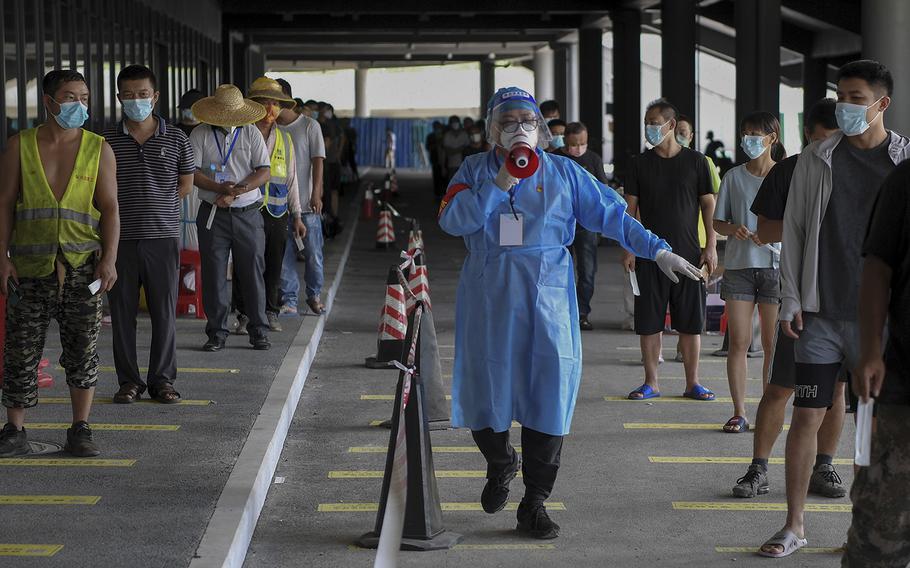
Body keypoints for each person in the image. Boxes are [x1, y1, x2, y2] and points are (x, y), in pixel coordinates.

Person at [439, 87, 701, 540]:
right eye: (508, 121)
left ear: (541, 128)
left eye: (527, 120)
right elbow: (452, 221)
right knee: (486, 389)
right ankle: (501, 463)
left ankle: (535, 501)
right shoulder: (473, 171)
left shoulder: (564, 172)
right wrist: (500, 181)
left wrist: (658, 252)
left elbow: (613, 216)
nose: (519, 128)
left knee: (549, 394)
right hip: (489, 297)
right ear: (492, 130)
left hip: (548, 299)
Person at [762, 59, 910, 558]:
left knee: (873, 426)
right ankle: (794, 525)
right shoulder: (817, 158)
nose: (844, 105)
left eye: (855, 98)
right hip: (820, 314)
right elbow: (797, 231)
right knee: (807, 415)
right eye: (840, 95)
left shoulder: (904, 163)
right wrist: (791, 300)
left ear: (881, 104)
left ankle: (862, 528)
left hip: (884, 325)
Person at [732, 98, 847, 500]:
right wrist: (810, 223)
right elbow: (763, 230)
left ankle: (825, 466)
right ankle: (758, 468)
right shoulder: (790, 169)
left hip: (849, 300)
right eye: (822, 142)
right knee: (781, 386)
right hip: (803, 298)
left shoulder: (860, 168)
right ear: (807, 138)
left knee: (837, 391)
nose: (830, 151)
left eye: (838, 140)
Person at [0, 69, 118, 457]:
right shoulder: (20, 145)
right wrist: (3, 259)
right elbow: (5, 206)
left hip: (83, 267)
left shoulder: (98, 147)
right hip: (30, 269)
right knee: (20, 350)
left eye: (84, 97)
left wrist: (110, 260)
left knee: (83, 350)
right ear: (49, 103)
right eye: (70, 97)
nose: (79, 105)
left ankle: (80, 428)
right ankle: (14, 429)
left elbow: (111, 208)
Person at [104, 64, 194, 405]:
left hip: (163, 237)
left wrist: (157, 206)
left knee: (164, 312)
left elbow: (185, 185)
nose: (136, 101)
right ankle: (129, 382)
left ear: (155, 97)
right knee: (122, 314)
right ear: (118, 98)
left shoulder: (177, 138)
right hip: (119, 240)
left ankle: (162, 381)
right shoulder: (105, 140)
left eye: (143, 94)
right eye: (128, 95)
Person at [622, 99, 717, 401]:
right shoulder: (639, 164)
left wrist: (711, 246)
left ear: (671, 125)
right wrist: (628, 248)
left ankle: (693, 383)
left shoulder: (697, 162)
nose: (649, 127)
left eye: (654, 121)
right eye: (646, 122)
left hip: (689, 253)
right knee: (649, 321)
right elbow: (629, 211)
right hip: (649, 254)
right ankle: (651, 382)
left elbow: (708, 206)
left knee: (691, 322)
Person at [842, 156, 910, 567]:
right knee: (879, 536)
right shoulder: (905, 180)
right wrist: (869, 350)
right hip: (904, 385)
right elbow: (876, 268)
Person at [712, 112, 784, 433]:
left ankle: (767, 412)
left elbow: (796, 224)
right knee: (739, 341)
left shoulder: (784, 176)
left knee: (771, 344)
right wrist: (733, 229)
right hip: (739, 267)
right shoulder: (733, 177)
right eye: (746, 134)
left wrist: (771, 233)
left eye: (756, 134)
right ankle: (739, 411)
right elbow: (716, 222)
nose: (750, 140)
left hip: (774, 267)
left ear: (772, 139)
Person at [188, 84, 272, 352]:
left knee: (252, 273)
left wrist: (237, 191)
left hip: (247, 212)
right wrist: (220, 189)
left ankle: (258, 330)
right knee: (214, 274)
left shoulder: (251, 133)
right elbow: (193, 172)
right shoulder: (200, 133)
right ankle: (216, 332)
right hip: (213, 214)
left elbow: (264, 171)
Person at [231, 77, 305, 334]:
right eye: (264, 103)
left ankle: (270, 312)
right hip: (246, 208)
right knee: (245, 262)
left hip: (276, 211)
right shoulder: (240, 134)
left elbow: (293, 179)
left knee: (273, 263)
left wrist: (297, 214)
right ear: (253, 106)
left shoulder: (285, 139)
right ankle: (243, 314)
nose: (271, 110)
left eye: (275, 104)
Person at [275, 78, 327, 316]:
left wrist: (316, 193)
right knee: (283, 255)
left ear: (285, 98)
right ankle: (289, 299)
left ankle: (314, 295)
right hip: (277, 205)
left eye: (273, 99)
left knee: (313, 253)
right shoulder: (270, 128)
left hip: (307, 204)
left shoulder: (309, 126)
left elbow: (318, 162)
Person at [556, 122, 608, 330]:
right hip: (560, 224)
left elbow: (602, 188)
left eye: (583, 143)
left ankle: (582, 312)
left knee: (587, 271)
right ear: (565, 141)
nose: (578, 148)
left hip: (586, 226)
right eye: (574, 144)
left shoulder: (593, 159)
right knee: (559, 270)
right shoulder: (556, 159)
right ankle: (560, 312)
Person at [176, 89, 206, 252]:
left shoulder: (208, 133)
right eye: (186, 108)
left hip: (201, 190)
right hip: (179, 190)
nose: (188, 112)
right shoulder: (173, 132)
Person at [442, 115, 469, 185]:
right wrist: (461, 148)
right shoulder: (447, 135)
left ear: (459, 123)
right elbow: (447, 151)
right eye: (453, 122)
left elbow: (468, 149)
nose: (455, 124)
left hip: (464, 165)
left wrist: (454, 150)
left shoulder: (464, 134)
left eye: (456, 122)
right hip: (451, 165)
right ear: (450, 124)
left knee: (464, 185)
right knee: (452, 185)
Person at [426, 121, 446, 197]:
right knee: (436, 176)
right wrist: (436, 144)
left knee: (444, 177)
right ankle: (437, 193)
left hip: (444, 160)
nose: (438, 128)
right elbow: (428, 147)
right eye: (436, 127)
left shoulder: (445, 135)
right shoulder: (430, 136)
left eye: (439, 127)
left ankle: (444, 192)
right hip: (435, 159)